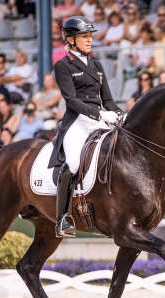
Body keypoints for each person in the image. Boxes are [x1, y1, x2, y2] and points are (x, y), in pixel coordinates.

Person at [50, 16, 124, 238]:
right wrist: (99, 113)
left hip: (100, 119)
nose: (90, 40)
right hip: (77, 122)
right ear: (71, 40)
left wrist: (120, 115)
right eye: (84, 36)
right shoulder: (63, 66)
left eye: (90, 36)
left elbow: (108, 100)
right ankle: (62, 218)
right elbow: (71, 100)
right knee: (72, 164)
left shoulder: (97, 65)